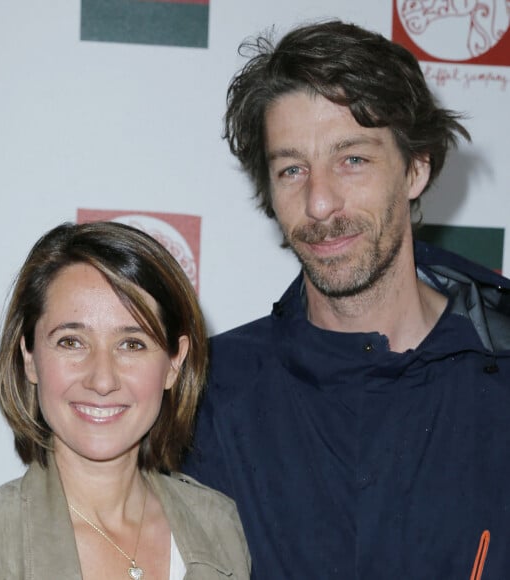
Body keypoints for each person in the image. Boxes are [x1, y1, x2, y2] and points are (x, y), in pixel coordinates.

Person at [182, 19, 510, 580]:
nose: (319, 201)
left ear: (415, 168)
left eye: (352, 159)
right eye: (292, 169)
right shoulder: (206, 395)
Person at [0, 221, 250, 580]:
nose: (102, 380)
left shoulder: (219, 526)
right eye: (72, 341)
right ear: (31, 358)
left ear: (174, 364)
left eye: (132, 344)